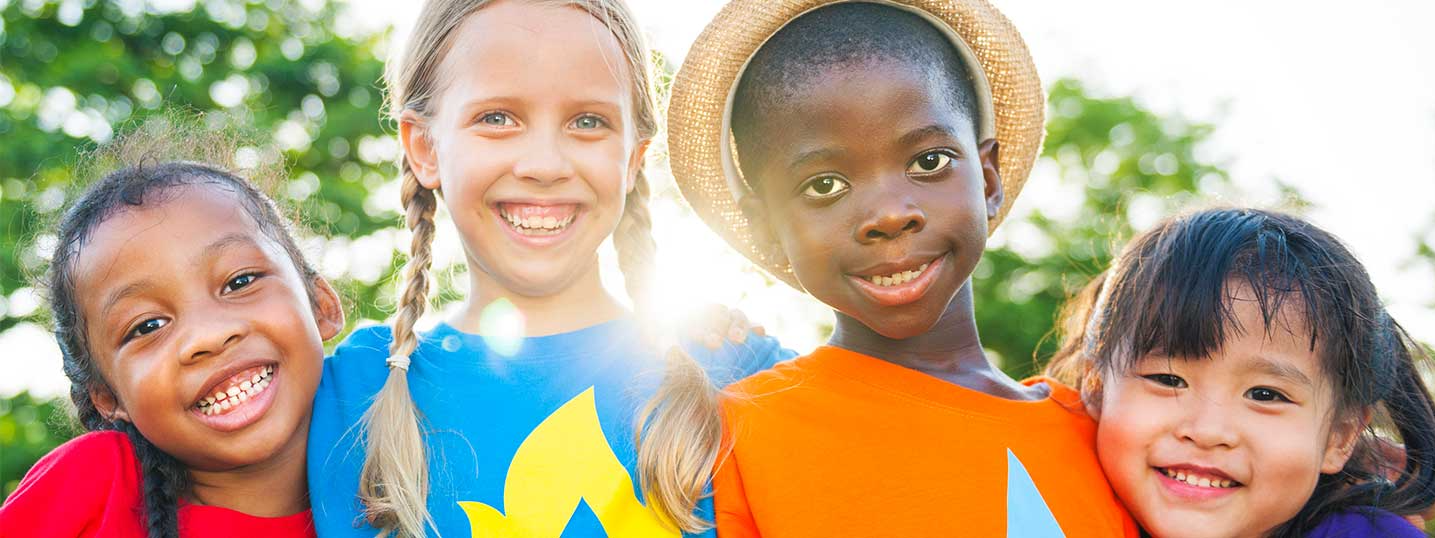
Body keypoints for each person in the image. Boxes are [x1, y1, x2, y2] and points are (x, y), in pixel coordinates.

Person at [305, 1, 792, 536]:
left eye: (589, 122)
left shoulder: (743, 375)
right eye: (497, 118)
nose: (544, 165)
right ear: (425, 147)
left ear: (634, 158)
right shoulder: (349, 392)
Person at [666, 1, 1136, 536]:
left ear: (988, 179)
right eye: (825, 186)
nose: (890, 215)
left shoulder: (1102, 438)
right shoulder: (738, 435)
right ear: (767, 228)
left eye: (929, 162)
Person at [0, 117, 343, 537]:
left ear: (321, 304)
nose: (208, 337)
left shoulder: (416, 473)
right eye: (147, 326)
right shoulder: (92, 487)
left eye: (239, 282)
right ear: (108, 397)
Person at [1047, 208, 1435, 538]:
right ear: (1095, 386)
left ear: (1339, 437)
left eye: (1265, 395)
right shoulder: (1044, 496)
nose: (1207, 431)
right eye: (1168, 380)